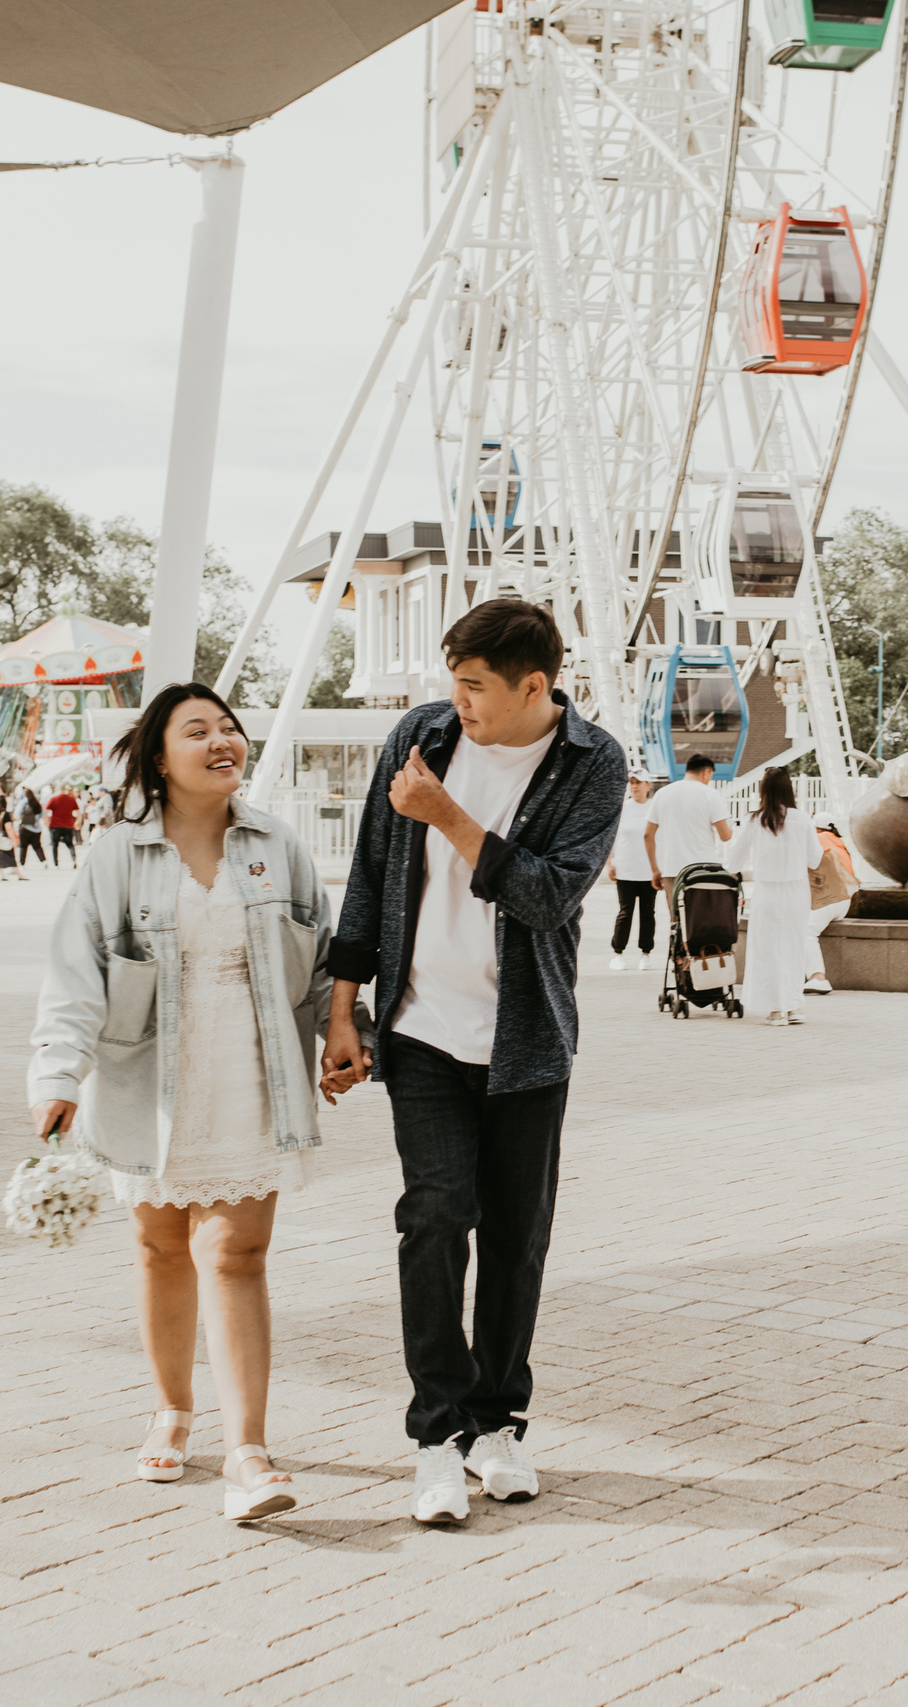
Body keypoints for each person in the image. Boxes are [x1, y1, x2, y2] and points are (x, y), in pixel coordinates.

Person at [321, 598, 624, 1526]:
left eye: (474, 686)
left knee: (517, 1236)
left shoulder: (593, 763)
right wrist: (345, 1006)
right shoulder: (422, 735)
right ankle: (437, 1433)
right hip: (419, 1030)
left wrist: (445, 815)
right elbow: (373, 871)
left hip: (527, 1042)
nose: (456, 703)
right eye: (451, 683)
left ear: (536, 686)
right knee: (434, 1217)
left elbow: (546, 896)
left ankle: (500, 1422)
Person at [30, 682, 345, 1526]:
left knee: (237, 1253)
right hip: (144, 1072)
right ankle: (172, 1407)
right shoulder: (115, 856)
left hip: (252, 1065)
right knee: (159, 1243)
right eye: (197, 729)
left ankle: (249, 1450)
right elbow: (75, 973)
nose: (222, 741)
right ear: (157, 755)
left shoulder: (279, 848)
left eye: (230, 728)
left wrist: (346, 1033)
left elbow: (321, 962)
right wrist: (58, 1075)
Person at [727, 766, 822, 1026]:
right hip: (796, 891)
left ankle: (776, 1009)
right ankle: (793, 1006)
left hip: (767, 891)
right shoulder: (802, 819)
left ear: (763, 790)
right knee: (793, 947)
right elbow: (815, 860)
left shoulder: (754, 820)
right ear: (788, 788)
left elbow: (732, 860)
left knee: (767, 949)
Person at [644, 751, 731, 891]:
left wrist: (655, 870)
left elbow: (648, 835)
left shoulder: (662, 794)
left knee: (676, 912)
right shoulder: (711, 794)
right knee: (702, 913)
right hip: (703, 870)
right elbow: (725, 836)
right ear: (706, 772)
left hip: (671, 869)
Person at [605, 773, 656, 970]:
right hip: (625, 869)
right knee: (625, 912)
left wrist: (658, 868)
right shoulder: (622, 808)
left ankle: (645, 953)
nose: (634, 787)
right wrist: (610, 863)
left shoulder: (654, 808)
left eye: (638, 783)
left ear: (647, 785)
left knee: (647, 912)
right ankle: (618, 953)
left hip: (649, 870)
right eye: (631, 783)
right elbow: (611, 837)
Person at [805, 820, 858, 995]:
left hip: (828, 899)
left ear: (816, 828)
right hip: (844, 901)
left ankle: (818, 978)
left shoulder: (819, 839)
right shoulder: (838, 842)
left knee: (806, 931)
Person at [46, 784, 82, 867]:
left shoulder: (54, 799)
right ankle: (73, 859)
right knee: (70, 844)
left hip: (55, 825)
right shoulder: (71, 799)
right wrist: (77, 821)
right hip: (68, 825)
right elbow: (78, 811)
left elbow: (46, 811)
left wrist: (47, 822)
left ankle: (56, 863)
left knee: (54, 845)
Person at [16, 785, 46, 870]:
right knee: (37, 846)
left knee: (23, 847)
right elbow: (43, 815)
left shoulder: (23, 802)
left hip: (25, 828)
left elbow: (17, 814)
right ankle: (43, 861)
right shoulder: (37, 803)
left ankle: (22, 864)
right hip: (36, 829)